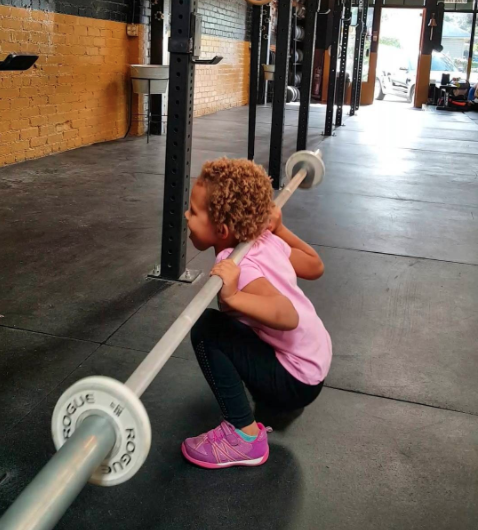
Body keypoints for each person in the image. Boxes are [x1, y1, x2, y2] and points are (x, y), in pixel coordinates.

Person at [182, 158, 332, 469]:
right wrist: (280, 228)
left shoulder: (237, 263)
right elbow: (315, 265)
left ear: (222, 229)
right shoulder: (265, 239)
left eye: (194, 212)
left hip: (296, 381)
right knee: (235, 321)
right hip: (314, 364)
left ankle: (244, 437)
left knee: (208, 329)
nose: (186, 216)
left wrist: (234, 296)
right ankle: (269, 397)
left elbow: (286, 314)